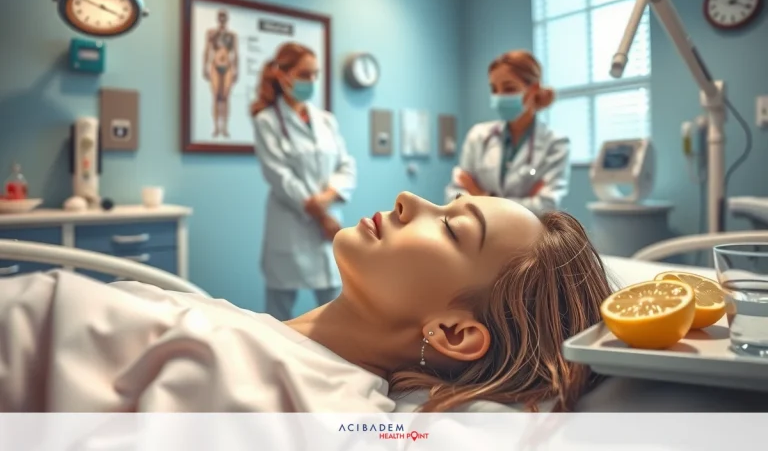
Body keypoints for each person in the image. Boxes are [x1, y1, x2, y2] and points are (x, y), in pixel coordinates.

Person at [0, 193, 612, 413]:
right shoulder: (249, 333)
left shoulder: (316, 407)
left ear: (454, 332)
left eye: (452, 228)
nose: (407, 199)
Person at [250, 42, 356, 321]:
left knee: (337, 307)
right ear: (283, 75)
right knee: (278, 316)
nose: (311, 81)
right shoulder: (267, 121)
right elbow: (279, 176)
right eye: (304, 74)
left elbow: (346, 165)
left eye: (314, 75)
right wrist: (320, 214)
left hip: (328, 223)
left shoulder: (326, 121)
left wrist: (328, 196)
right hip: (292, 225)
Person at [446, 50, 570, 215]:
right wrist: (523, 202)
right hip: (481, 237)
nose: (499, 97)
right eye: (494, 89)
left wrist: (480, 194)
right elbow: (454, 196)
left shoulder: (555, 143)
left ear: (533, 89)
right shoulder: (478, 136)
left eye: (509, 88)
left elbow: (546, 205)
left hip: (527, 237)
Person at [203, 9, 239, 138]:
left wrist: (236, 70)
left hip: (228, 66)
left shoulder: (232, 35)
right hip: (215, 66)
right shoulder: (212, 33)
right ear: (218, 18)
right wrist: (205, 66)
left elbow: (235, 53)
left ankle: (225, 128)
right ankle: (216, 128)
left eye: (224, 17)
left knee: (225, 97)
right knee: (216, 97)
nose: (222, 19)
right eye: (220, 17)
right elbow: (207, 50)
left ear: (227, 19)